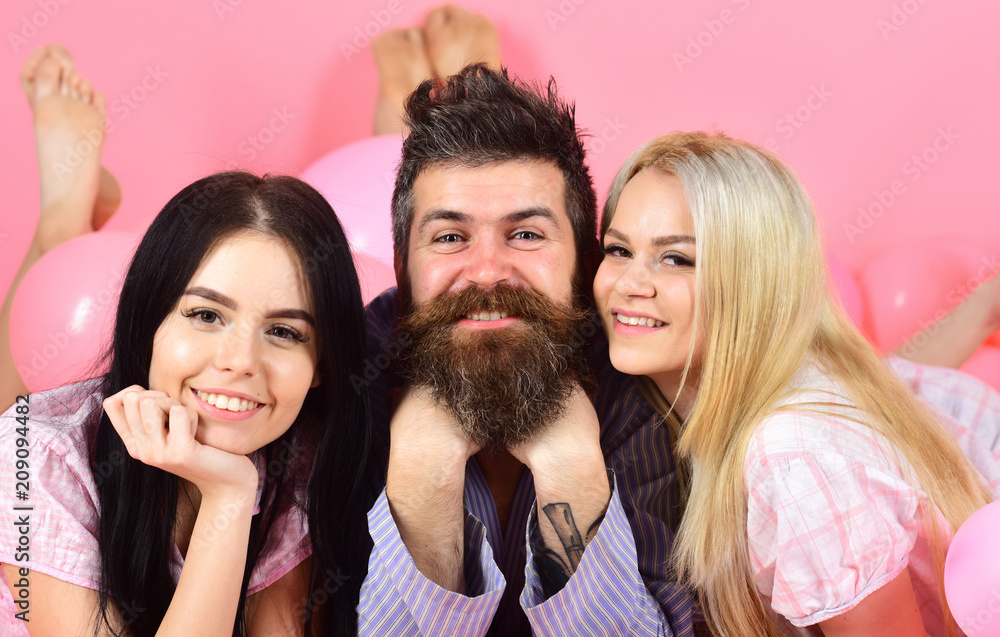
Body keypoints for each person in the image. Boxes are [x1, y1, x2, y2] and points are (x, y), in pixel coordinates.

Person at [0, 47, 376, 637]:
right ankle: (60, 221)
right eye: (205, 315)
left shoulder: (299, 458)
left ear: (321, 363)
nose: (239, 362)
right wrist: (230, 501)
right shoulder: (44, 460)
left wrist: (228, 490)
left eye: (283, 331)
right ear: (149, 318)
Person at [357, 26, 699, 634]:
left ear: (584, 263)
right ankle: (413, 94)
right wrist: (421, 474)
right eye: (450, 238)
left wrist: (572, 467)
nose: (487, 271)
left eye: (526, 233)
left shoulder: (640, 373)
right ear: (402, 271)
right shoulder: (344, 379)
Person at [594, 131, 1000, 636]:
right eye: (617, 249)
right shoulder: (732, 387)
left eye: (676, 257)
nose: (629, 283)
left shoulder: (791, 457)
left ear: (751, 280)